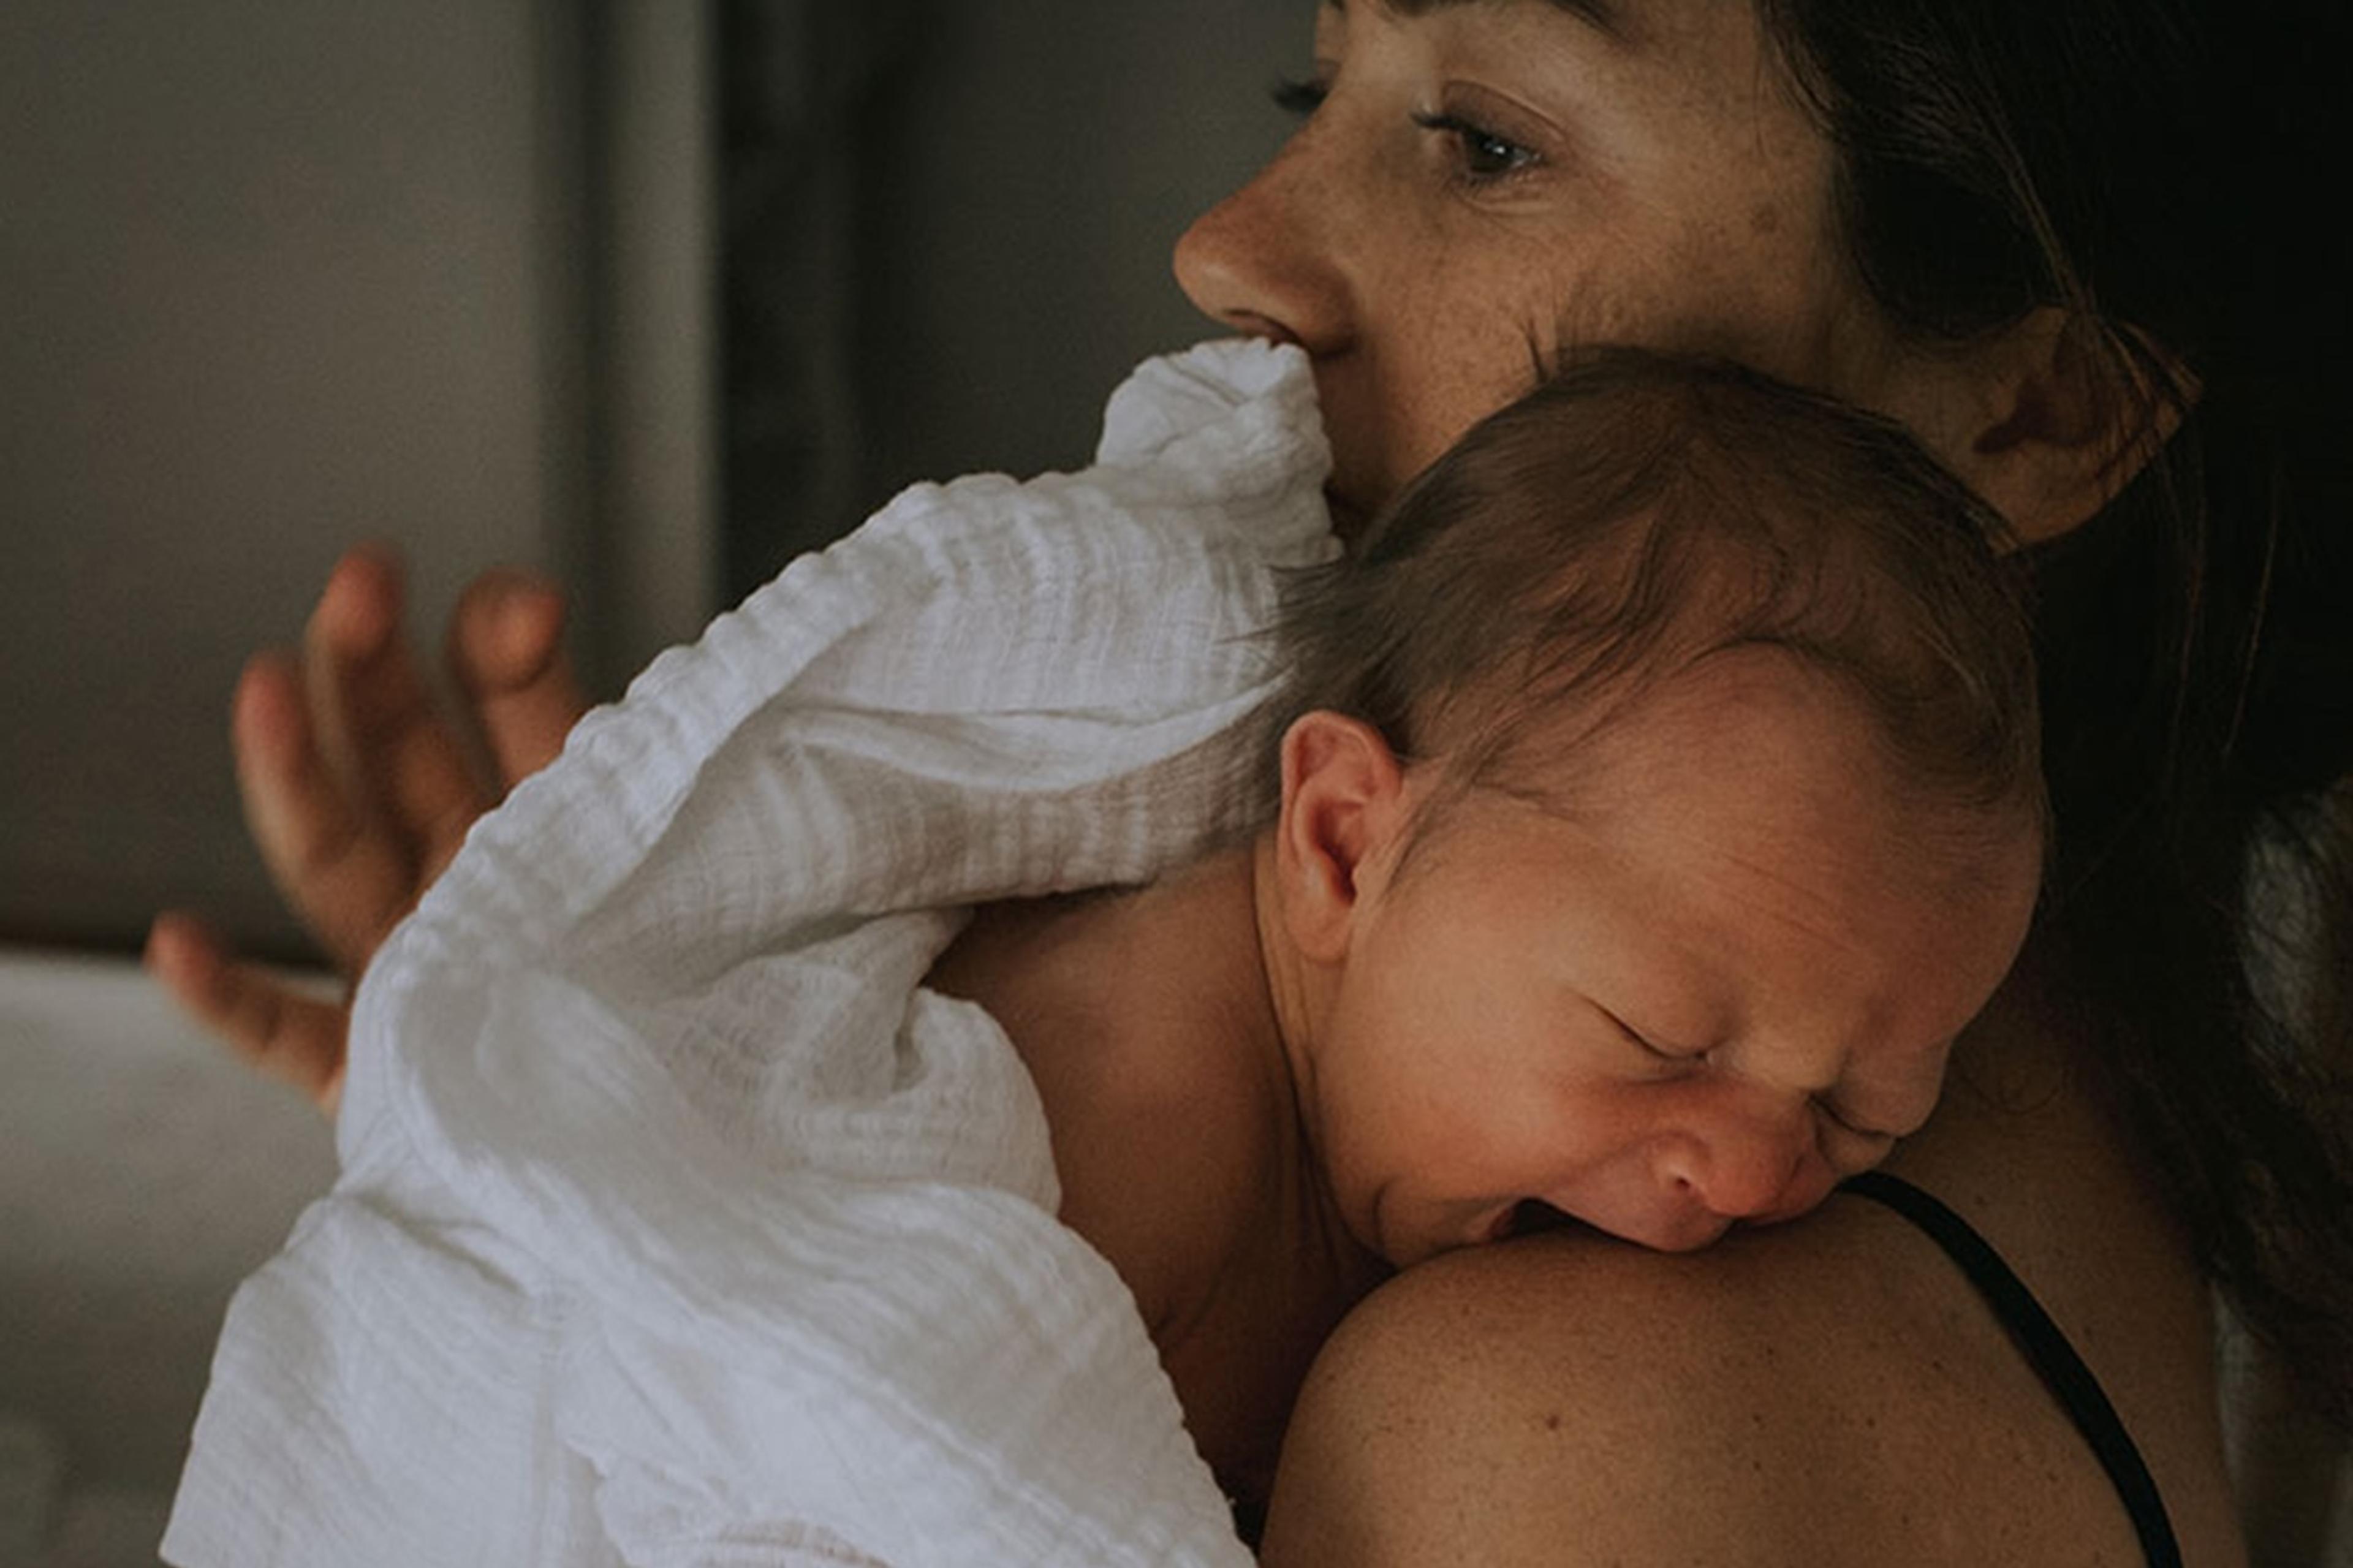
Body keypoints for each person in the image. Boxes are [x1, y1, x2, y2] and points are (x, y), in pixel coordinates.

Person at [150, 0, 2352, 1562]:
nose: (1233, 250)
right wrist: (629, 1143)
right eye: (1324, 77)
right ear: (1342, 833)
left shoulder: (1559, 1440)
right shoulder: (2030, 1160)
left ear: (2046, 412)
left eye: (1484, 136)